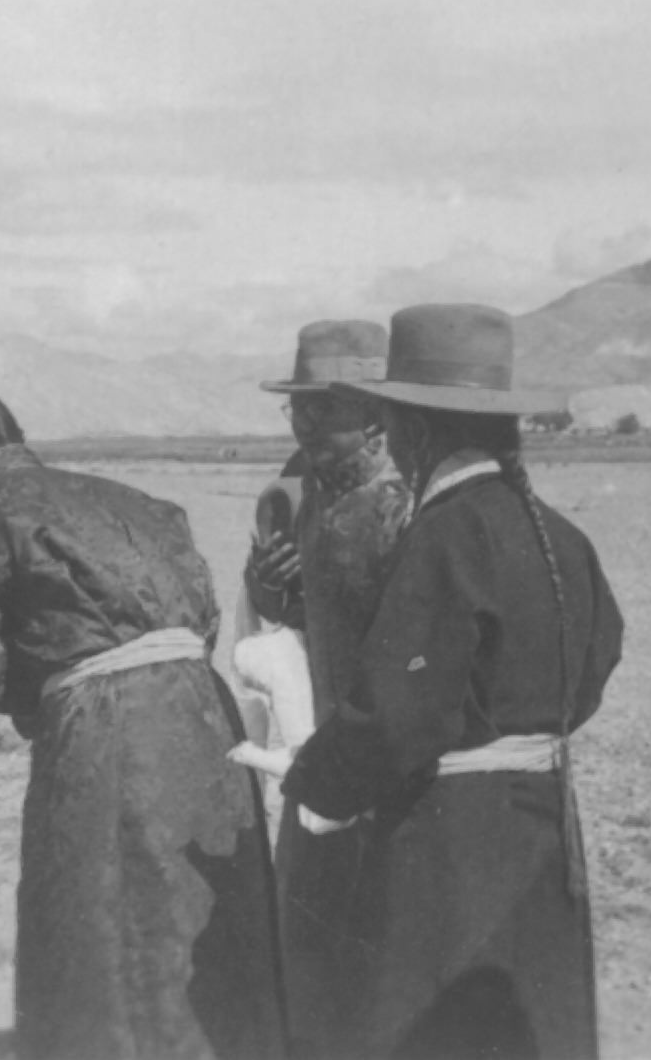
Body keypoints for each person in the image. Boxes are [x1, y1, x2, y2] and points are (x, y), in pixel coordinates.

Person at [0, 383, 286, 1060]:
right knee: (202, 946)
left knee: (105, 945)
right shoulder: (134, 501)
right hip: (204, 717)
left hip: (111, 736)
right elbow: (199, 616)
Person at [280, 304, 624, 1059]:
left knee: (429, 1027)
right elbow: (598, 661)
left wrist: (310, 782)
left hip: (449, 845)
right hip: (540, 825)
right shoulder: (557, 532)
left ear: (415, 427)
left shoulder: (446, 536)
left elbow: (394, 718)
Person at [243, 320, 413, 1056]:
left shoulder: (413, 502)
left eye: (324, 409)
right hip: (322, 753)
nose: (305, 423)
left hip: (396, 760)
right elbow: (302, 626)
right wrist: (271, 594)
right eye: (297, 407)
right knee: (312, 948)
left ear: (375, 414)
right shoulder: (295, 494)